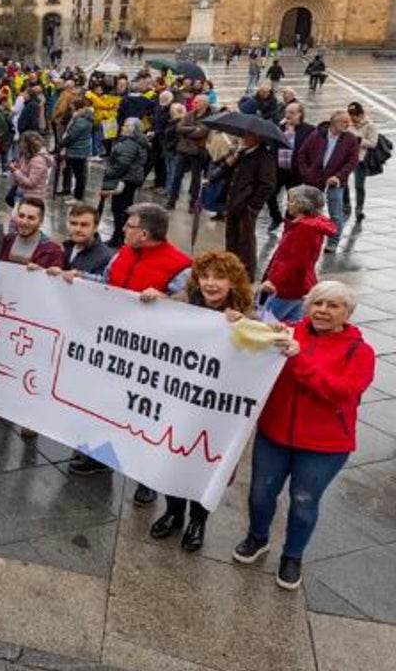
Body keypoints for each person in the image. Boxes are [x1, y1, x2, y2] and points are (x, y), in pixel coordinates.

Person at [233, 281, 375, 591]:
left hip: (325, 446)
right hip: (275, 434)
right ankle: (258, 537)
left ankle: (292, 555)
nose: (323, 311)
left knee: (303, 500)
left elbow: (341, 392)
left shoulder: (360, 352)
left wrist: (299, 359)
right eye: (317, 303)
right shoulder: (288, 331)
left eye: (333, 306)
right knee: (260, 493)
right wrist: (238, 326)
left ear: (347, 313)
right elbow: (249, 347)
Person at [59, 202, 192, 505]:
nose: (122, 229)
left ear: (143, 233)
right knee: (105, 404)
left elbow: (189, 310)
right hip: (113, 348)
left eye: (128, 225)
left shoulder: (181, 266)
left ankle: (147, 479)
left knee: (144, 420)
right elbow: (107, 284)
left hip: (149, 359)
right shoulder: (123, 252)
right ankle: (100, 457)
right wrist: (78, 277)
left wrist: (168, 300)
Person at [148, 251, 255, 553]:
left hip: (217, 412)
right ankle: (173, 512)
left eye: (219, 277)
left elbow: (261, 354)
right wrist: (153, 301)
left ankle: (198, 521)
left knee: (205, 464)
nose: (210, 284)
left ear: (233, 283)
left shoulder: (248, 313)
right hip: (180, 402)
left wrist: (244, 328)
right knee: (173, 455)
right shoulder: (183, 303)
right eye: (205, 276)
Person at [42, 203, 117, 475]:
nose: (78, 229)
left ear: (95, 227)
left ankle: (96, 457)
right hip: (69, 333)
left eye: (84, 224)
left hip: (90, 336)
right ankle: (84, 448)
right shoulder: (65, 248)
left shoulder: (105, 256)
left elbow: (106, 290)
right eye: (74, 223)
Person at [258, 186, 337, 322]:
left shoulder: (305, 228)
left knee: (266, 323)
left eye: (291, 201)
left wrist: (274, 281)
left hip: (288, 286)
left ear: (302, 204)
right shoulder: (309, 225)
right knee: (292, 326)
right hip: (299, 285)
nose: (288, 204)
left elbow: (294, 261)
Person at [295, 109, 358, 254]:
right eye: (345, 121)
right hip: (314, 179)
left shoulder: (350, 139)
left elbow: (352, 161)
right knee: (310, 211)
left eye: (348, 121)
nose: (348, 124)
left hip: (335, 181)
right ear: (334, 122)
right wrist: (306, 173)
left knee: (335, 213)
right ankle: (308, 238)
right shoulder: (317, 135)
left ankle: (333, 242)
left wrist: (339, 176)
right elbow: (302, 154)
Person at [221, 132, 277, 280]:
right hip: (234, 201)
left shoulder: (265, 156)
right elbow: (228, 171)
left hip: (246, 204)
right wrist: (233, 157)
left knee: (246, 239)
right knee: (231, 236)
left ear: (257, 138)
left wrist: (253, 205)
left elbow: (268, 184)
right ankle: (231, 266)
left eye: (248, 136)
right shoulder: (243, 152)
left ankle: (246, 272)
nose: (243, 138)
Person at [267, 101, 315, 232]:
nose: (288, 115)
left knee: (293, 201)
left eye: (292, 113)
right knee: (269, 194)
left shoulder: (309, 130)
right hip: (279, 170)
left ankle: (288, 225)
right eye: (287, 112)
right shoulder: (278, 128)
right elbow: (271, 147)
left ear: (300, 114)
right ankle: (276, 217)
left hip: (296, 172)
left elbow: (312, 152)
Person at [101, 118, 149, 247]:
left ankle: (118, 238)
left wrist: (109, 173)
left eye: (126, 125)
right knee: (124, 209)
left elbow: (122, 163)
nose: (122, 127)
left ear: (133, 129)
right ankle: (120, 237)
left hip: (125, 179)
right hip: (131, 178)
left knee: (119, 209)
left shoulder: (130, 143)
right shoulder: (137, 141)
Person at [167, 97, 211, 212]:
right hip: (183, 149)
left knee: (196, 178)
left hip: (198, 151)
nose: (194, 103)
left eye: (197, 102)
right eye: (194, 101)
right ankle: (172, 201)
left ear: (204, 104)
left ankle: (193, 203)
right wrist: (193, 129)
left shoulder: (209, 117)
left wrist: (187, 132)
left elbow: (202, 132)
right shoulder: (190, 114)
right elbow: (179, 128)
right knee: (177, 176)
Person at [0, 198, 64, 268]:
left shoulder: (52, 251)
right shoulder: (6, 241)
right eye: (21, 216)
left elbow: (55, 276)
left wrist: (41, 272)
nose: (24, 222)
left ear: (41, 221)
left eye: (31, 218)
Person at [343, 101, 378, 222]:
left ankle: (359, 209)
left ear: (361, 114)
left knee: (359, 185)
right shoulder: (348, 124)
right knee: (343, 183)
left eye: (355, 116)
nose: (352, 118)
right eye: (351, 115)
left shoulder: (370, 125)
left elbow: (373, 143)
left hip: (361, 160)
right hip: (346, 158)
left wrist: (359, 140)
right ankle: (346, 206)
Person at [59, 99, 94, 201]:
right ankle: (67, 190)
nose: (70, 107)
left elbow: (72, 136)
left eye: (72, 105)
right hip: (77, 150)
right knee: (70, 171)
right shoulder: (82, 119)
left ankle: (78, 196)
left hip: (77, 151)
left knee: (78, 175)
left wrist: (61, 144)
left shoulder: (80, 121)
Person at [9, 131, 52, 203]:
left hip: (31, 198)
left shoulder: (38, 161)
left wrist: (15, 171)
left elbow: (31, 183)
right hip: (22, 193)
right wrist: (17, 166)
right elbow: (24, 171)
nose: (19, 145)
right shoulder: (26, 156)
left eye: (21, 143)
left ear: (28, 145)